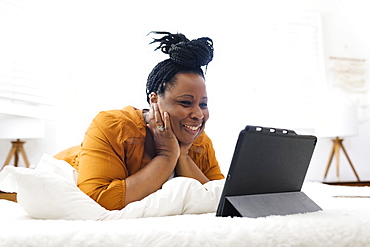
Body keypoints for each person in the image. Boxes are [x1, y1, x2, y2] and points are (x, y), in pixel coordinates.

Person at [54, 31, 224, 210]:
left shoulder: (200, 142)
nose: (198, 114)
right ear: (155, 100)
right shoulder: (112, 126)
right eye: (185, 102)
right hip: (55, 175)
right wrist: (167, 156)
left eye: (203, 104)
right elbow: (98, 200)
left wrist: (182, 155)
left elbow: (221, 197)